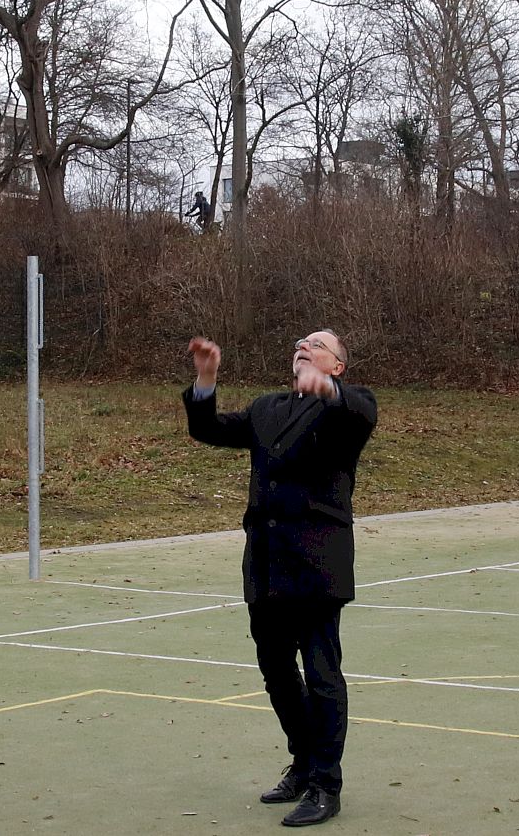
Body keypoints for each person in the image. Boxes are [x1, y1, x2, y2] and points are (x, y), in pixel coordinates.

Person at [182, 330, 377, 828]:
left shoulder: (347, 407)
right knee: (275, 669)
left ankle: (325, 785)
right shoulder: (266, 408)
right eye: (300, 343)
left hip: (317, 562)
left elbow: (358, 413)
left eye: (317, 344)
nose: (303, 345)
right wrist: (206, 379)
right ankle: (303, 762)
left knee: (321, 670)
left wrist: (327, 390)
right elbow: (208, 430)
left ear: (337, 366)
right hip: (266, 561)